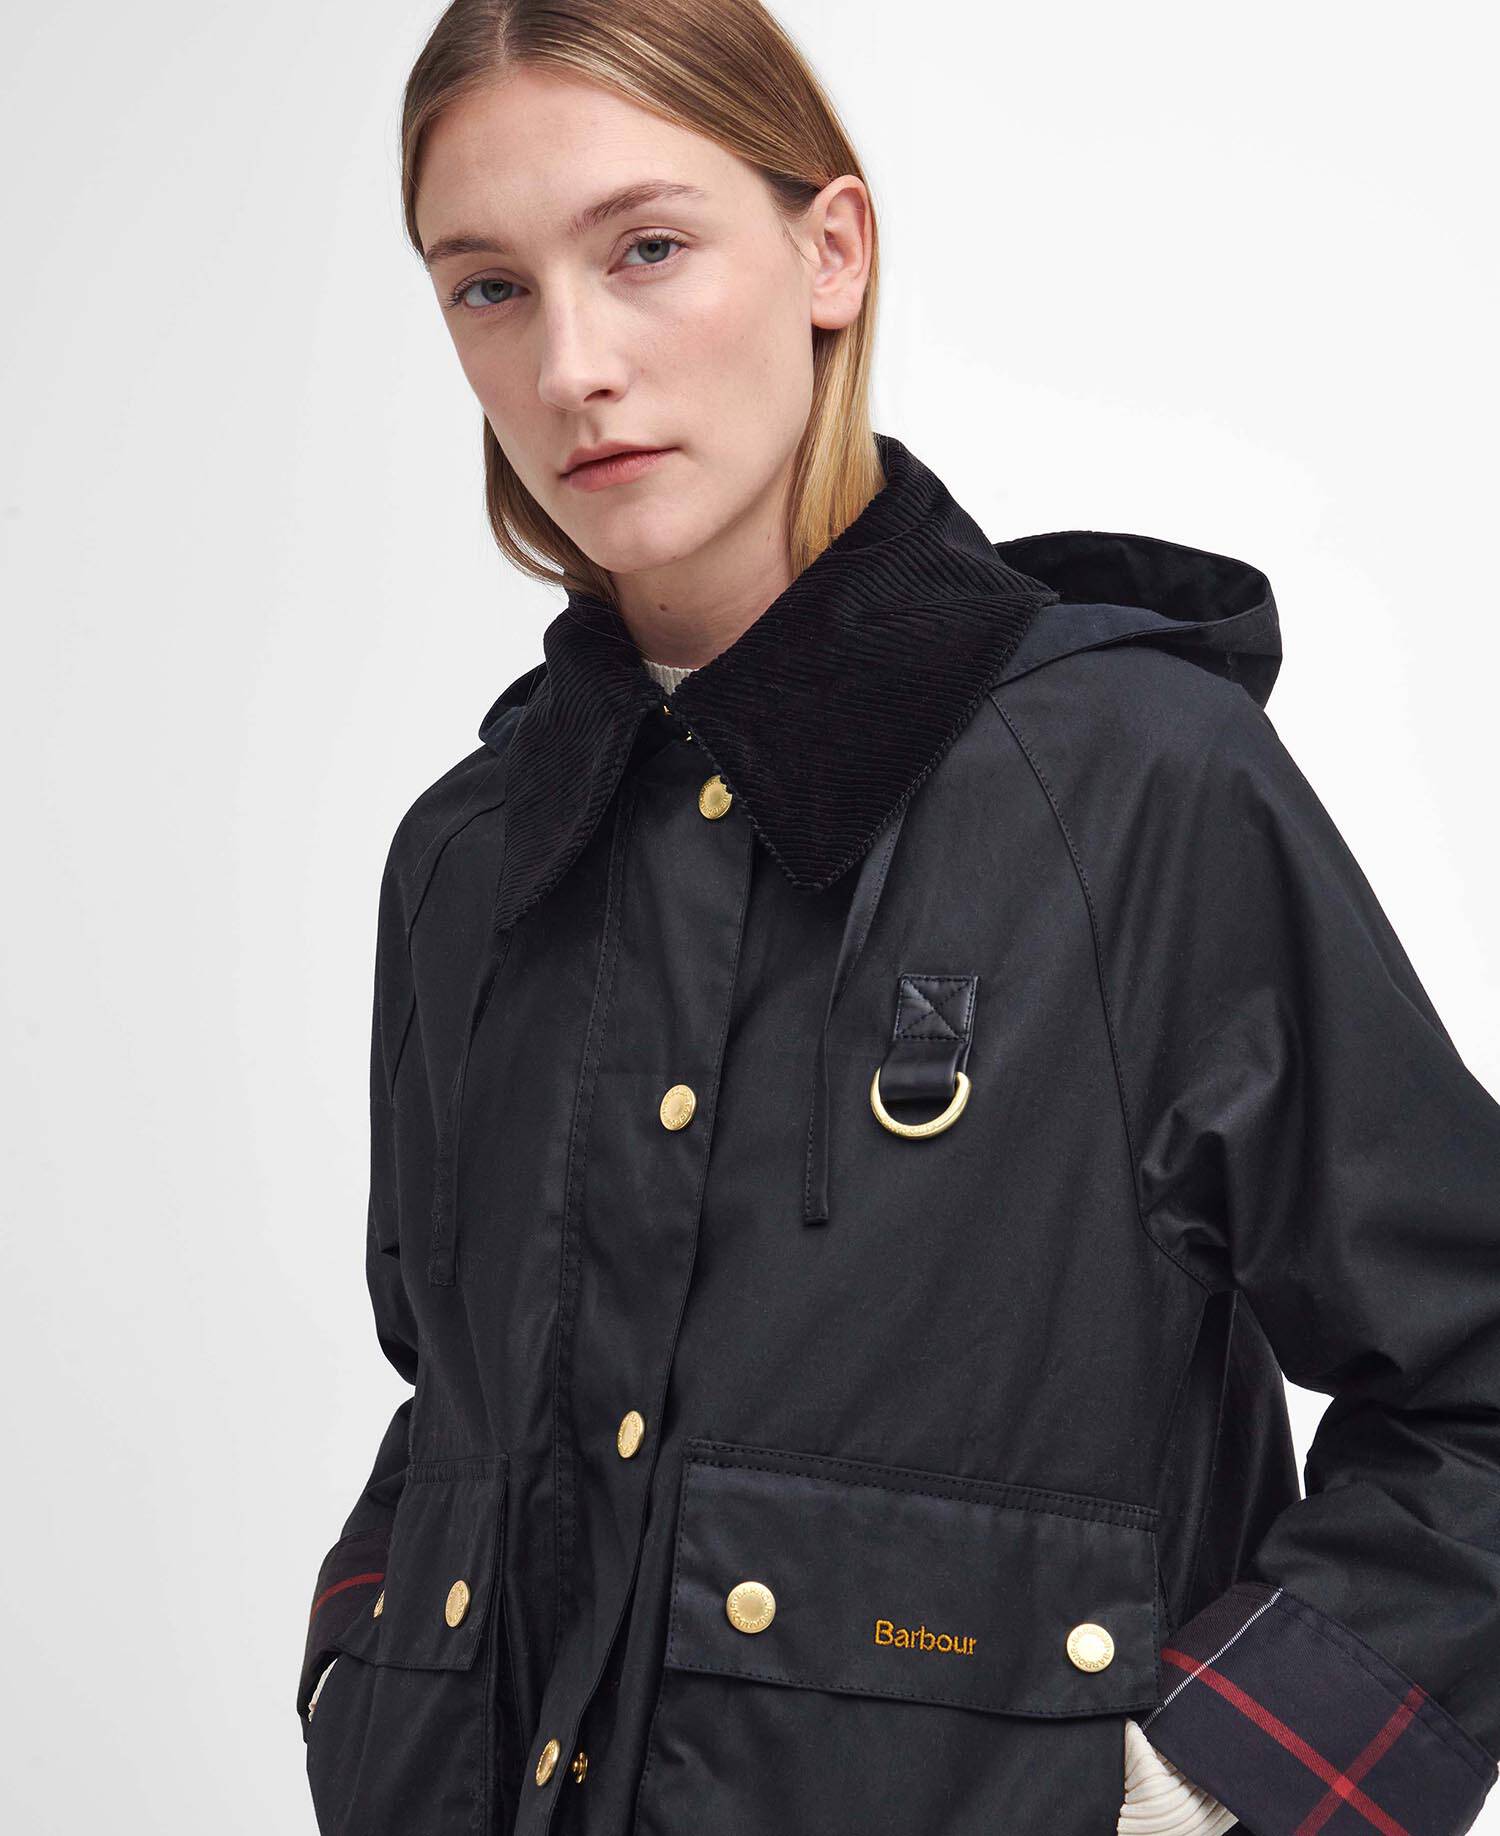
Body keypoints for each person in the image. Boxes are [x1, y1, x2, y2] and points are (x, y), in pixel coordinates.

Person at [294, 4, 1500, 1834]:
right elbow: (454, 1408)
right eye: (489, 288)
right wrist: (358, 1675)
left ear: (831, 252)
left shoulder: (1127, 788)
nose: (573, 364)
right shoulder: (471, 859)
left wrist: (1221, 1782)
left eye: (647, 248)